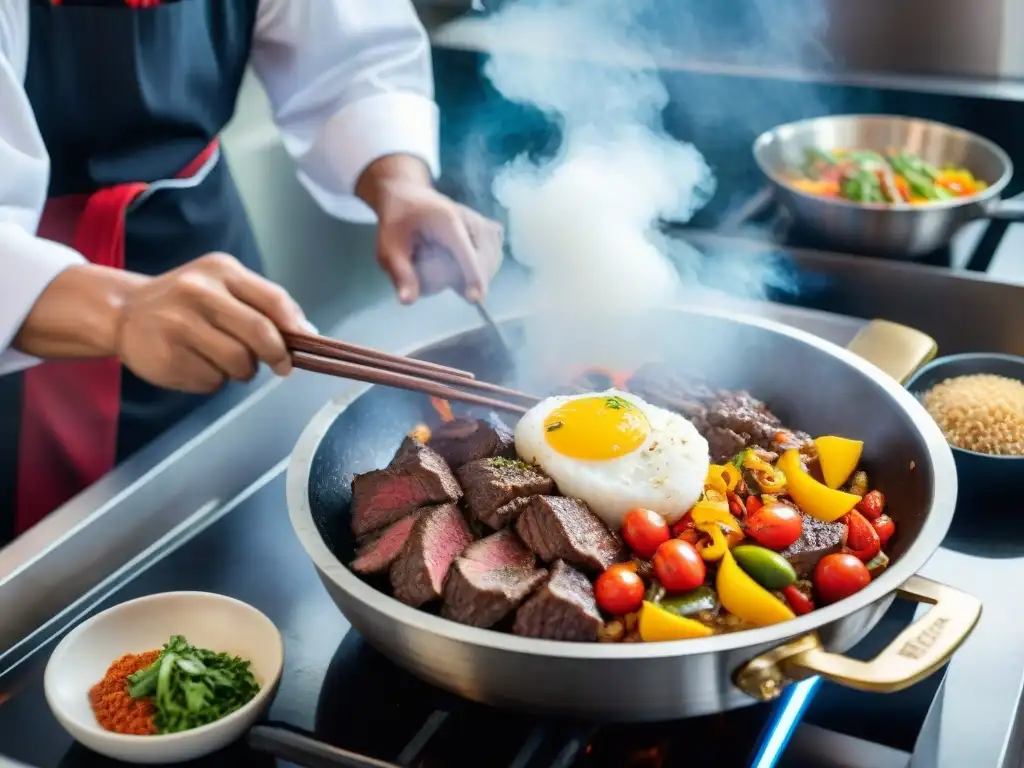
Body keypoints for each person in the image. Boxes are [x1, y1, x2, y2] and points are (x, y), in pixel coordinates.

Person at [0, 0, 504, 544]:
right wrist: (121, 312)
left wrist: (398, 183)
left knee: (220, 521)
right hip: (31, 318)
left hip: (201, 240)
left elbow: (349, 48)